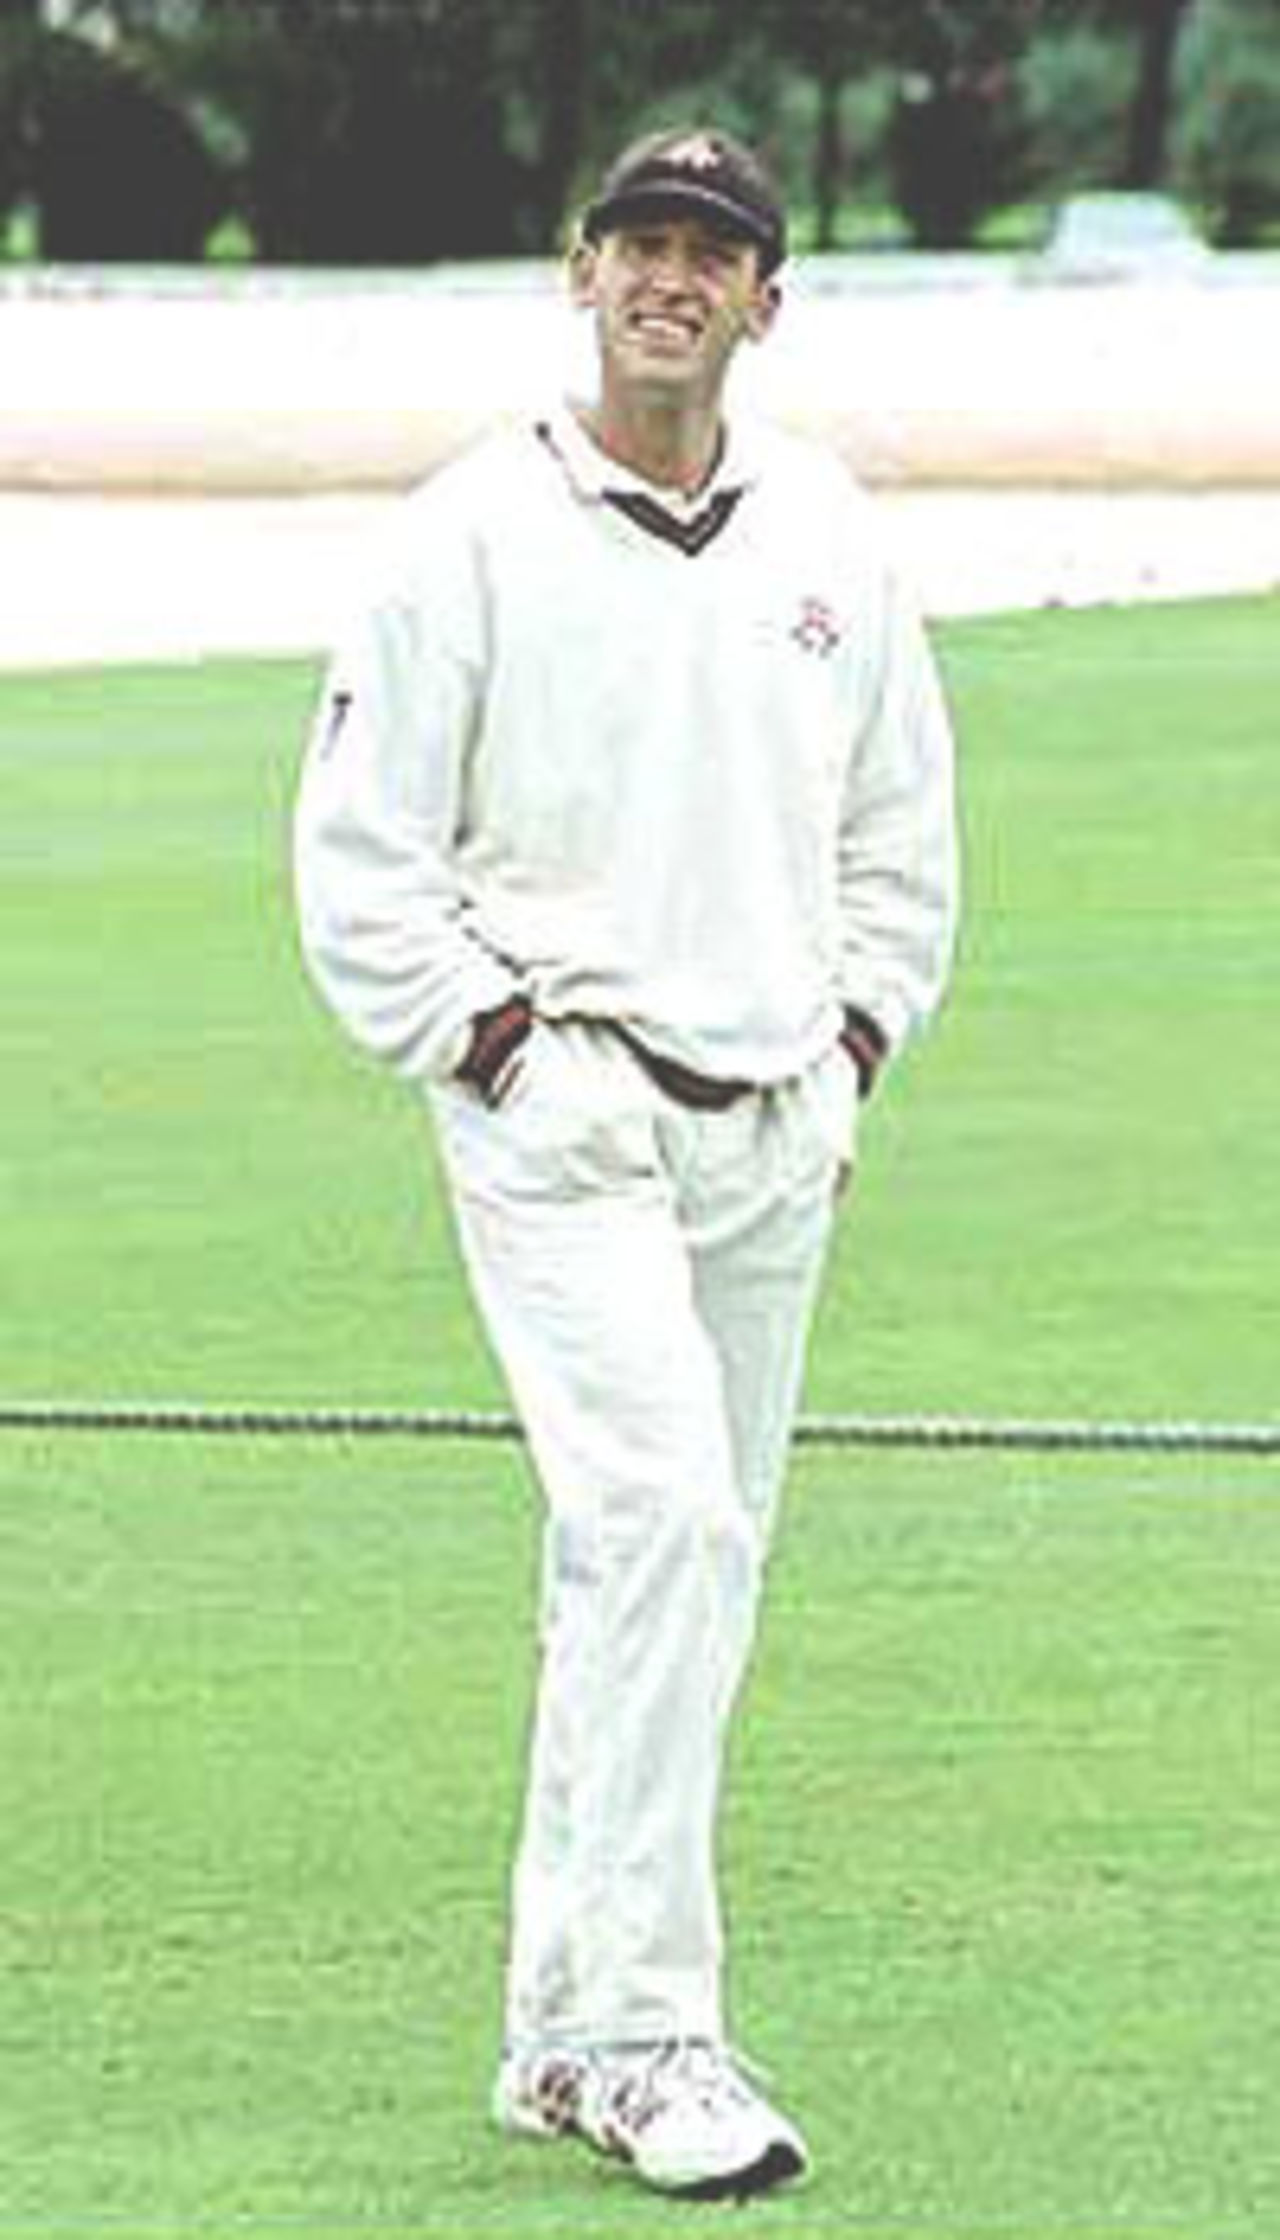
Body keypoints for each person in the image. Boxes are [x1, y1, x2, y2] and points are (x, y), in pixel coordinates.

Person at [294, 125, 958, 2203]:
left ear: (766, 300)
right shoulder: (461, 539)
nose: (674, 279)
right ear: (580, 277)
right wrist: (499, 1051)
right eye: (641, 245)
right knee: (661, 1521)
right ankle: (651, 2031)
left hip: (773, 1125)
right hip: (563, 1115)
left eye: (714, 254)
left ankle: (553, 2032)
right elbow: (359, 867)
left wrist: (847, 1053)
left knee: (675, 1564)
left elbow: (899, 842)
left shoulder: (830, 539)